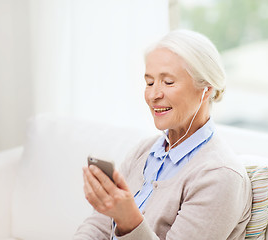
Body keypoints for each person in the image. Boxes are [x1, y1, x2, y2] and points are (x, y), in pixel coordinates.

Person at [73, 29, 252, 240]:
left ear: (206, 89)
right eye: (149, 83)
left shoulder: (220, 176)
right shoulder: (144, 151)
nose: (153, 95)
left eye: (168, 82)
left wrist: (128, 220)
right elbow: (99, 224)